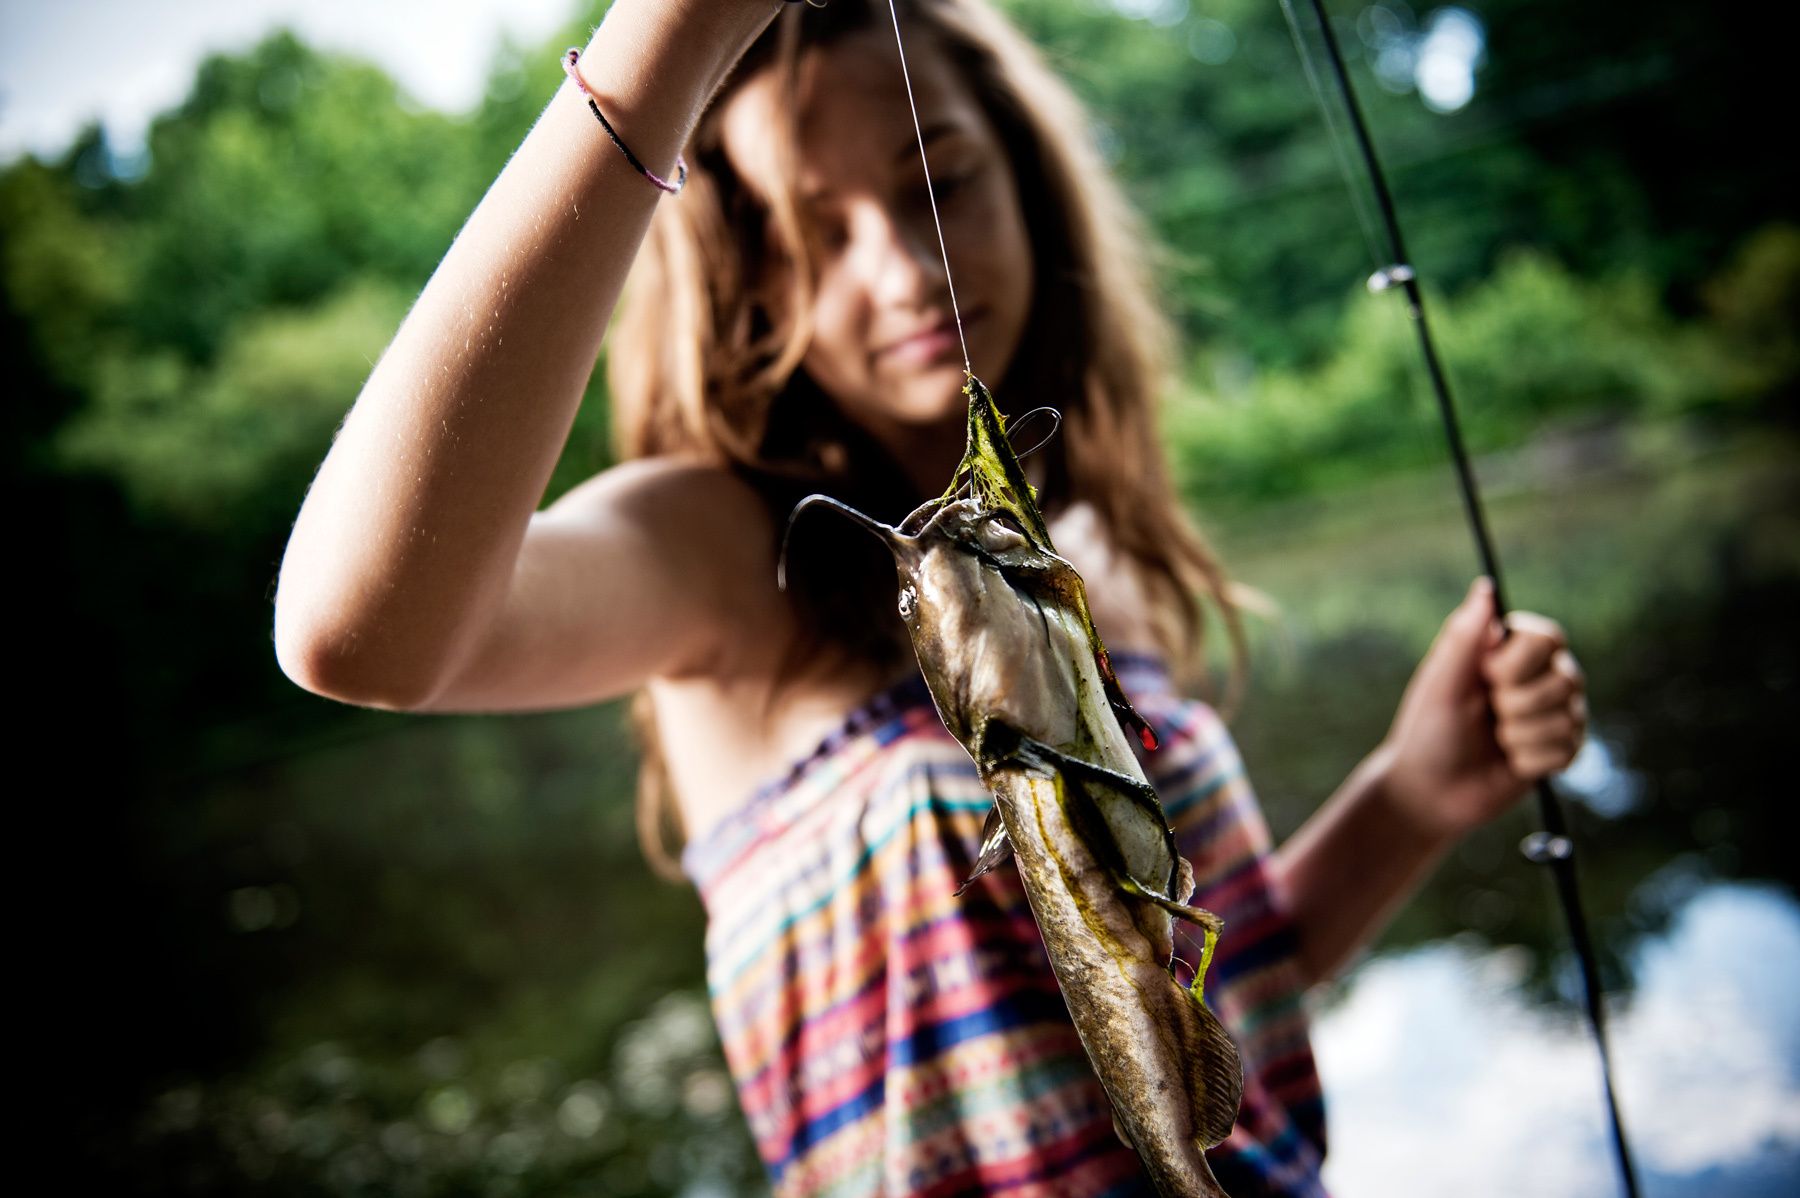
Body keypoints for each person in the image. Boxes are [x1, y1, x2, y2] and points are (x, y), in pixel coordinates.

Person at [272, 1, 1589, 1194]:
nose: (903, 266)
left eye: (939, 183)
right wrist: (663, 39)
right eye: (812, 232)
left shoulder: (1093, 572)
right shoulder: (724, 560)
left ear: (1028, 179)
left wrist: (1411, 799)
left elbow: (1180, 1004)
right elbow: (358, 630)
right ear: (745, 285)